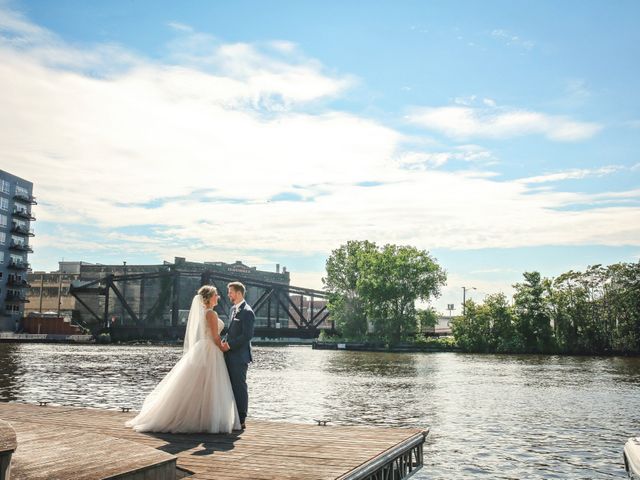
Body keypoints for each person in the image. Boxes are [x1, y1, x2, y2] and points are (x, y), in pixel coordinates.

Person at [125, 285, 240, 433]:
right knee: (209, 385)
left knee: (200, 385)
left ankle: (199, 417)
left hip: (204, 348)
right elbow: (215, 336)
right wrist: (224, 347)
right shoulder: (211, 313)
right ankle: (206, 419)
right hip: (211, 349)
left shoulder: (206, 312)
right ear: (209, 298)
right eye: (216, 294)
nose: (218, 297)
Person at [220, 281, 255, 430]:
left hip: (239, 357)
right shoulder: (233, 309)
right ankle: (230, 416)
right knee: (228, 386)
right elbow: (231, 331)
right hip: (228, 355)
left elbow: (247, 336)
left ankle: (241, 419)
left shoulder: (247, 312)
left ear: (239, 293)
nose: (228, 295)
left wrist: (229, 345)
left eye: (230, 292)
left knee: (239, 387)